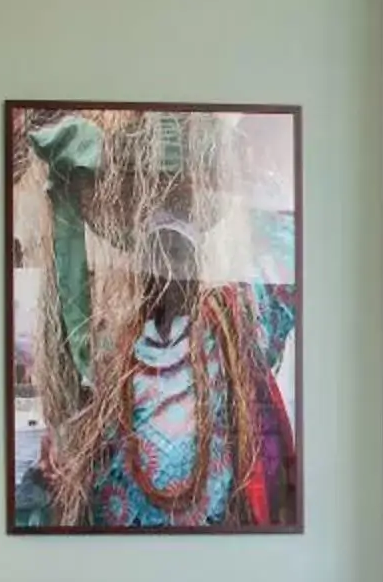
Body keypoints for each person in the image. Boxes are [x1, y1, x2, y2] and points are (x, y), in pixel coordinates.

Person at [97, 221, 296, 528]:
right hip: (134, 526)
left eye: (177, 255)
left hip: (211, 523)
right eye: (156, 256)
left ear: (196, 269)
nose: (167, 269)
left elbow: (283, 276)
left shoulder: (226, 331)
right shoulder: (120, 349)